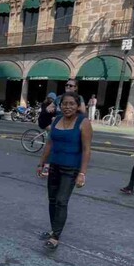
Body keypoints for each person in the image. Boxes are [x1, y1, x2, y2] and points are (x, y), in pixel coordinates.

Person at [36, 91, 93, 250]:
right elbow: (49, 144)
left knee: (62, 201)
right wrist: (41, 163)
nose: (68, 107)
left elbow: (87, 150)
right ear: (60, 106)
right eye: (65, 104)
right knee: (52, 200)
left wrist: (82, 173)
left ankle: (56, 236)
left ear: (77, 106)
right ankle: (54, 229)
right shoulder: (56, 120)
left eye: (71, 104)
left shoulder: (84, 122)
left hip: (71, 168)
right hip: (54, 166)